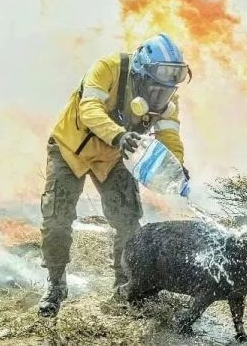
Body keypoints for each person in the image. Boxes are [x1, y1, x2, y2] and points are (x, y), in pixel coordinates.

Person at [37, 33, 190, 318]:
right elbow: (89, 110)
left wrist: (177, 166)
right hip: (71, 149)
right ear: (140, 74)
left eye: (165, 90)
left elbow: (170, 137)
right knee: (57, 220)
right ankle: (56, 284)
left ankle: (125, 287)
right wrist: (118, 135)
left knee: (128, 221)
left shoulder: (169, 99)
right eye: (154, 88)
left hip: (116, 156)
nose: (159, 96)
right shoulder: (108, 68)